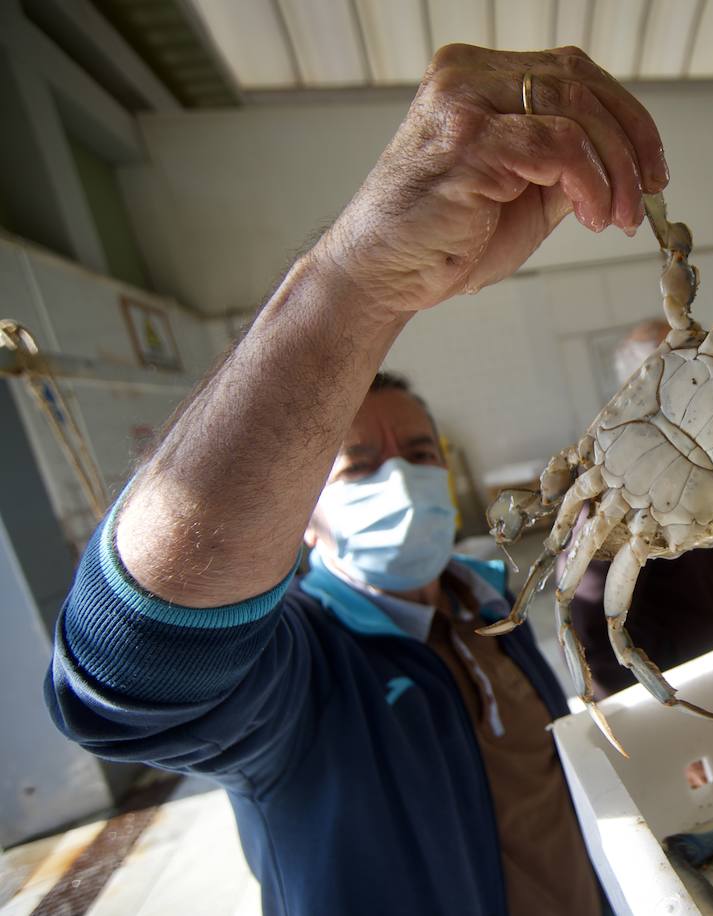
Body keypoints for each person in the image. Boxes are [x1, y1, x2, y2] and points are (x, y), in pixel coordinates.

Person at [45, 44, 669, 916]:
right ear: (301, 512)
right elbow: (135, 679)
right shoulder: (298, 672)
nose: (403, 480)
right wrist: (353, 286)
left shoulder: (489, 604)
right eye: (359, 465)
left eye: (418, 456)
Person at [565, 318, 713, 696]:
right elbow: (590, 625)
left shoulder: (694, 460)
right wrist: (651, 724)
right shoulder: (614, 488)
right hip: (669, 691)